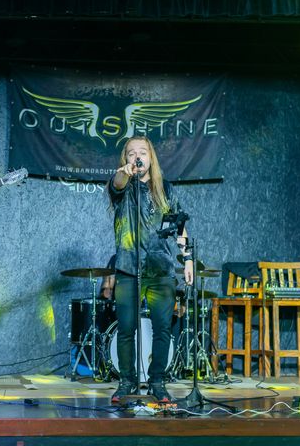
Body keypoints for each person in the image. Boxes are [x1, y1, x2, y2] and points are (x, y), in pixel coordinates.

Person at [108, 136, 193, 403]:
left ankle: (157, 381)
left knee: (163, 329)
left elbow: (179, 226)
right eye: (131, 153)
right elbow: (117, 184)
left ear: (151, 157)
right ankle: (126, 382)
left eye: (142, 152)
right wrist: (124, 173)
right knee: (126, 329)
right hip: (128, 268)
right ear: (126, 159)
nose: (137, 156)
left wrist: (188, 258)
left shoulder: (164, 188)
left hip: (160, 269)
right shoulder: (122, 185)